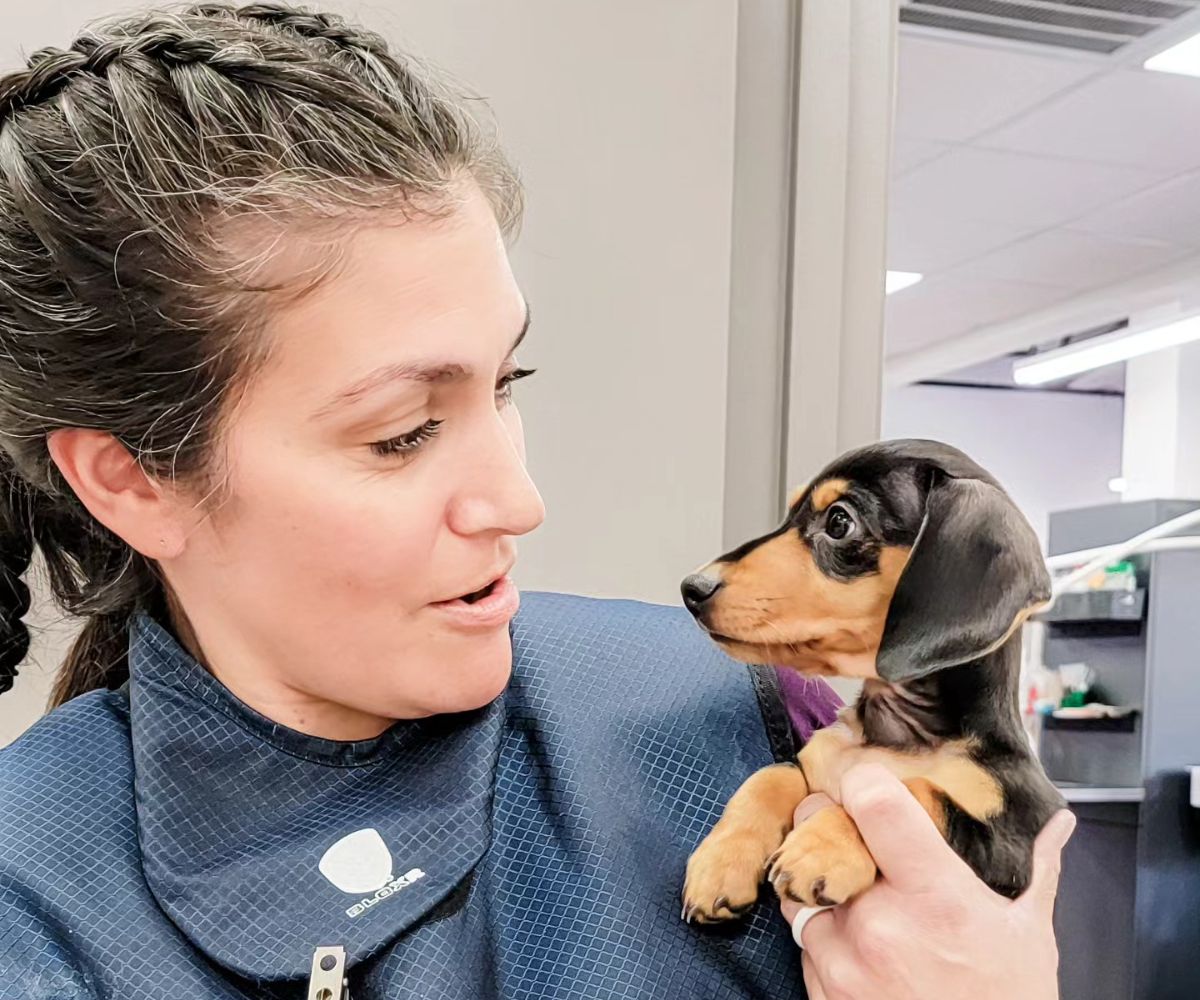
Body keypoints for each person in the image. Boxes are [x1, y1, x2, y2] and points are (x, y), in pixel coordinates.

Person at [0, 4, 1072, 998]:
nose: (520, 500)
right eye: (402, 432)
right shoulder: (36, 905)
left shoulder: (737, 714)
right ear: (132, 479)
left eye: (505, 384)